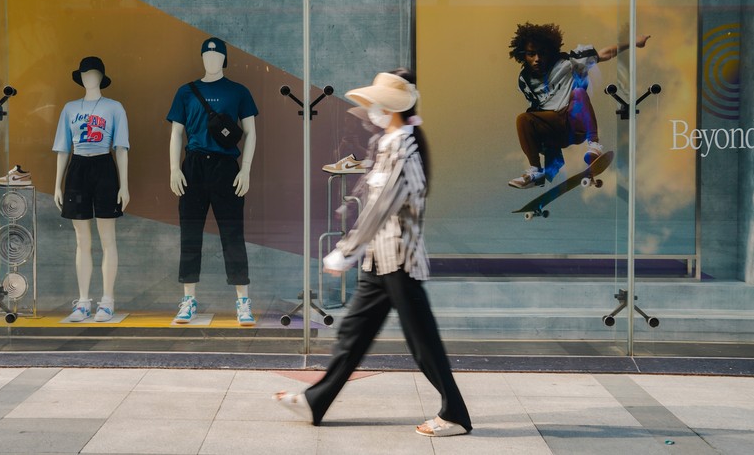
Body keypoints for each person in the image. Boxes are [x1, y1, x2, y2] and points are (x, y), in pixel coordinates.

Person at [274, 69, 473, 438]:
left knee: (421, 341)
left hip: (398, 257)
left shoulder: (404, 145)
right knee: (354, 334)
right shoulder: (391, 141)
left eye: (378, 105)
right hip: (379, 258)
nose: (372, 111)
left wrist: (346, 250)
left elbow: (383, 205)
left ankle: (455, 414)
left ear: (392, 108)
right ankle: (316, 401)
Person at [166, 37, 259, 326]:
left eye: (217, 55)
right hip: (193, 166)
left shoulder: (238, 91)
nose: (211, 59)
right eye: (207, 55)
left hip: (226, 167)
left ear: (224, 59)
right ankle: (189, 299)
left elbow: (251, 132)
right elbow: (176, 134)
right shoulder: (185, 92)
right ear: (202, 58)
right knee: (190, 234)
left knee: (233, 234)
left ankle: (243, 301)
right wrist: (173, 168)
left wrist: (245, 170)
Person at [507, 22, 651, 188]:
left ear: (550, 51)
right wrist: (547, 151)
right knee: (523, 119)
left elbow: (603, 54)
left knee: (578, 93)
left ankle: (594, 145)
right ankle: (536, 171)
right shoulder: (524, 79)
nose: (537, 59)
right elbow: (535, 110)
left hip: (575, 123)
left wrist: (634, 42)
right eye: (532, 54)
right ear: (523, 55)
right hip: (554, 128)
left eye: (542, 53)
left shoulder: (569, 61)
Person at [52, 56, 130, 322]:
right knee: (81, 240)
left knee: (108, 238)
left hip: (104, 166)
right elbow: (63, 148)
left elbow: (121, 148)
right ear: (80, 77)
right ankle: (83, 300)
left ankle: (107, 300)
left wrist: (125, 186)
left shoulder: (114, 107)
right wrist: (57, 184)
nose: (89, 78)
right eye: (85, 74)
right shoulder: (70, 108)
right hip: (78, 168)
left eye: (94, 73)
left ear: (101, 77)